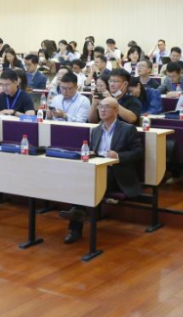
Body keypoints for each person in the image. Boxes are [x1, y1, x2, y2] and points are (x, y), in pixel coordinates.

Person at [58, 97, 143, 244]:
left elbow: (138, 153)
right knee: (80, 178)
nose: (102, 110)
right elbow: (95, 152)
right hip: (97, 171)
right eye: (100, 106)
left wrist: (118, 156)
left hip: (117, 174)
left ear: (116, 110)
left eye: (107, 107)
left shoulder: (127, 129)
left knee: (85, 183)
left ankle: (75, 222)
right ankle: (76, 218)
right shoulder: (96, 130)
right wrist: (91, 154)